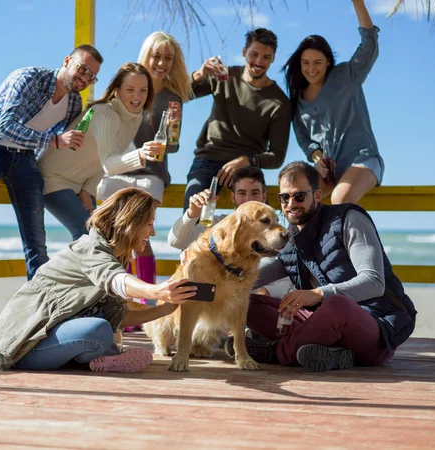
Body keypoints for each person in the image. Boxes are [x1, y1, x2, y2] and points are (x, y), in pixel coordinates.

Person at [224, 161, 417, 372]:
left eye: (299, 196)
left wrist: (317, 293)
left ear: (316, 196)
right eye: (284, 197)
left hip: (376, 327)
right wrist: (213, 280)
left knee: (337, 305)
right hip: (321, 324)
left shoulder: (349, 219)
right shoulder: (290, 237)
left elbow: (374, 282)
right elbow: (251, 277)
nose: (290, 204)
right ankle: (332, 354)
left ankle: (275, 352)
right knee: (245, 301)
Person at [0, 188, 197, 372]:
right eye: (149, 224)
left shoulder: (116, 256)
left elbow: (117, 316)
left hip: (50, 337)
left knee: (106, 328)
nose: (152, 232)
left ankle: (103, 356)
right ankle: (108, 356)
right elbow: (114, 278)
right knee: (98, 330)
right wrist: (156, 291)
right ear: (131, 223)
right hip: (24, 345)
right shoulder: (90, 247)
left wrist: (165, 309)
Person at [0, 45, 103, 280]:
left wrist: (85, 189)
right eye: (82, 68)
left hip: (25, 155)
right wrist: (56, 140)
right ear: (67, 60)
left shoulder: (73, 104)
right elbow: (5, 127)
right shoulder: (28, 78)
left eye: (92, 76)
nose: (85, 78)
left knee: (36, 232)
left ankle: (37, 292)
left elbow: (60, 149)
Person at [97, 31, 194, 302]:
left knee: (141, 237)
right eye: (156, 56)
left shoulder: (173, 97)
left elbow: (171, 148)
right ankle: (122, 303)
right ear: (146, 56)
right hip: (122, 169)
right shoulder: (131, 88)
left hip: (152, 173)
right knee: (119, 239)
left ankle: (146, 302)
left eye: (168, 58)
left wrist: (172, 128)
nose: (161, 63)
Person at [38, 62, 161, 242]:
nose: (137, 96)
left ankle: (84, 270)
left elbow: (103, 158)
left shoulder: (135, 116)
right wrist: (141, 154)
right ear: (117, 90)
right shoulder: (106, 113)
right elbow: (110, 163)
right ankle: (67, 271)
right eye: (130, 89)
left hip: (79, 184)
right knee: (91, 238)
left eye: (143, 90)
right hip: (52, 178)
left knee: (105, 239)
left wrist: (87, 191)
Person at [282, 0, 382, 205]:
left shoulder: (347, 75)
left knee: (340, 198)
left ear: (328, 61)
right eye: (305, 63)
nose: (311, 69)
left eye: (318, 62)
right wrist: (317, 158)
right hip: (329, 170)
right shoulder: (298, 98)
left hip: (362, 161)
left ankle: (358, 238)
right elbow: (303, 136)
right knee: (297, 198)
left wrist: (358, 3)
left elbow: (369, 44)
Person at [182, 28, 292, 211]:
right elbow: (182, 95)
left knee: (258, 220)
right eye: (254, 54)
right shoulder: (223, 76)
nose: (258, 62)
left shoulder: (279, 102)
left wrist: (247, 160)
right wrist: (200, 73)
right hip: (209, 158)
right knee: (192, 213)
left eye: (266, 57)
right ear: (244, 52)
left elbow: (277, 156)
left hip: (247, 167)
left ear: (273, 58)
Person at [169, 165, 291, 299]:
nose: (249, 199)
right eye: (242, 193)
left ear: (264, 196)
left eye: (255, 193)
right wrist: (192, 214)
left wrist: (268, 290)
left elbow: (289, 274)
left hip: (257, 301)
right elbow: (176, 241)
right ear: (233, 197)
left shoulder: (278, 231)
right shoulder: (218, 226)